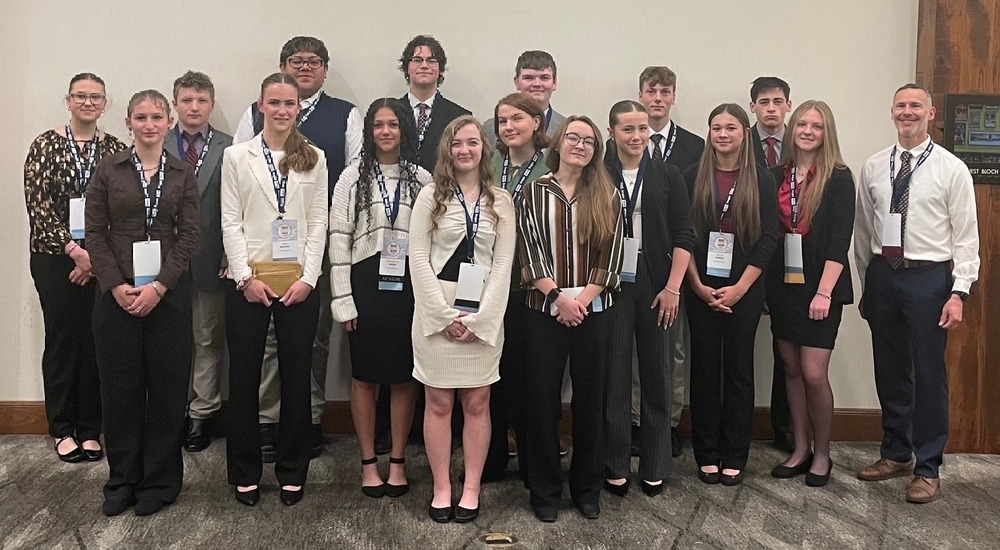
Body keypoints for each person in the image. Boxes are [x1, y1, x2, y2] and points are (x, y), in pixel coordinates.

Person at [234, 36, 363, 461]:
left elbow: (353, 181)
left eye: (313, 62)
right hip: (260, 251)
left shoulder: (346, 115)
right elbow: (233, 191)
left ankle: (308, 418)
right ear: (283, 68)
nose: (305, 68)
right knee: (268, 340)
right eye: (296, 61)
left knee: (314, 336)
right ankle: (270, 420)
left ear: (325, 68)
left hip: (314, 245)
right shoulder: (253, 115)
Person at [854, 84, 980, 504]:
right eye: (900, 106)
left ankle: (928, 467)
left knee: (928, 374)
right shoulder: (874, 166)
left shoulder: (951, 168)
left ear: (929, 114)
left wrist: (959, 290)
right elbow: (863, 231)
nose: (907, 113)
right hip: (884, 276)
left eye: (915, 106)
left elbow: (966, 236)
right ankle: (895, 452)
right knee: (889, 368)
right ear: (891, 112)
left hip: (929, 280)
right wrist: (866, 282)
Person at [85, 89, 200, 516]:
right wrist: (115, 285)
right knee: (120, 393)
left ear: (168, 122)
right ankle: (122, 480)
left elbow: (190, 235)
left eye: (156, 117)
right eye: (141, 117)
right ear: (128, 123)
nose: (149, 125)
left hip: (167, 298)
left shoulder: (182, 173)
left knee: (168, 393)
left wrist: (160, 287)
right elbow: (94, 233)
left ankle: (160, 481)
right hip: (116, 296)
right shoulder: (108, 169)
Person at [221, 73, 329, 507]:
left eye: (290, 103)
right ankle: (245, 470)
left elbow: (319, 221)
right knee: (244, 378)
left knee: (297, 377)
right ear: (260, 105)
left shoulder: (315, 157)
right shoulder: (236, 156)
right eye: (274, 102)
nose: (282, 110)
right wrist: (245, 278)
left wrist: (309, 278)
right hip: (250, 281)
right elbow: (231, 220)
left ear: (298, 107)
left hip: (299, 283)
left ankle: (292, 470)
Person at [408, 116, 515, 523]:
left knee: (477, 400)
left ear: (483, 149)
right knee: (437, 401)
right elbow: (417, 258)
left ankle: (470, 487)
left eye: (473, 142)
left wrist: (480, 318)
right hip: (436, 307)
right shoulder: (429, 196)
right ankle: (441, 486)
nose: (465, 150)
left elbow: (504, 264)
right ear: (447, 150)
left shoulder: (500, 201)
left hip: (484, 309)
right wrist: (441, 315)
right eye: (457, 143)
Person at [517, 116, 624, 522]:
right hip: (544, 311)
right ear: (558, 144)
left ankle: (586, 487)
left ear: (596, 151)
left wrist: (583, 300)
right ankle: (544, 489)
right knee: (542, 401)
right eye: (573, 137)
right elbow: (528, 253)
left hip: (594, 313)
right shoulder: (532, 192)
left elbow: (611, 256)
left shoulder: (607, 192)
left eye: (590, 141)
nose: (580, 145)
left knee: (590, 402)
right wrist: (559, 298)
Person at [329, 98, 431, 498]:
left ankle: (399, 461)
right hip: (365, 284)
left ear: (404, 129)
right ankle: (369, 462)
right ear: (369, 131)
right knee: (365, 377)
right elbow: (337, 240)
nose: (385, 132)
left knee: (404, 376)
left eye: (393, 124)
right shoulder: (352, 177)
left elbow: (432, 241)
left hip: (408, 287)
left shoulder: (421, 178)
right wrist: (342, 299)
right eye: (378, 125)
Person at [23, 73, 126, 464]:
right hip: (54, 260)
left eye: (95, 97)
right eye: (80, 96)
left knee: (97, 342)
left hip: (102, 262)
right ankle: (62, 428)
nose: (87, 102)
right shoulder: (45, 145)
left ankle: (90, 428)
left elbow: (122, 209)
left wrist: (95, 258)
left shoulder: (116, 150)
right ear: (68, 101)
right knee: (64, 341)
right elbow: (39, 205)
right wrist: (73, 250)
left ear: (105, 104)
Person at [602, 101, 694, 498]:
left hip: (658, 284)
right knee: (615, 377)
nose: (637, 136)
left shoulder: (668, 174)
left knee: (657, 376)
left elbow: (684, 235)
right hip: (609, 285)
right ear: (612, 133)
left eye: (642, 129)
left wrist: (673, 287)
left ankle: (656, 463)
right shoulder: (599, 174)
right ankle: (616, 463)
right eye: (627, 130)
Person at [684, 104, 778, 487]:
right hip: (701, 287)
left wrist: (740, 288)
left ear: (744, 133)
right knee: (705, 369)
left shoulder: (763, 179)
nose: (723, 134)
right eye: (716, 128)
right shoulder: (692, 175)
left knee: (739, 370)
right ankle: (706, 453)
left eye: (731, 128)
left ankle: (735, 453)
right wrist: (695, 285)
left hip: (746, 288)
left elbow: (769, 238)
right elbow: (683, 236)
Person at [766, 101, 855, 488]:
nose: (806, 131)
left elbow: (840, 240)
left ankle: (822, 454)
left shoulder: (838, 177)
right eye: (801, 123)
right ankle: (800, 449)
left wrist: (823, 293)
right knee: (790, 370)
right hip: (784, 286)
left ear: (826, 132)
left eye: (816, 126)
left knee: (814, 373)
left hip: (823, 287)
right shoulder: (774, 175)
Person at [635, 66, 706, 458]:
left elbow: (692, 216)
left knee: (674, 349)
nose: (657, 98)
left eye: (665, 92)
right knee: (631, 350)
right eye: (651, 91)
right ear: (641, 95)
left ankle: (671, 422)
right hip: (629, 266)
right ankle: (634, 420)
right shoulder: (622, 144)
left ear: (674, 96)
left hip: (675, 265)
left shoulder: (694, 147)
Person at [482, 92, 551, 483]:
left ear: (536, 123)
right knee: (493, 374)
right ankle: (491, 458)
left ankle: (531, 462)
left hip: (534, 282)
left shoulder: (551, 165)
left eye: (517, 119)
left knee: (532, 377)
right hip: (492, 281)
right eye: (502, 120)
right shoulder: (489, 164)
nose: (509, 126)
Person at [164, 70, 234, 453]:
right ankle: (169, 411)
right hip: (163, 262)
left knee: (207, 339)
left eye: (202, 100)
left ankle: (201, 415)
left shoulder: (230, 146)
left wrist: (228, 255)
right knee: (170, 340)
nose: (194, 107)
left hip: (211, 259)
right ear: (175, 104)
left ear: (211, 104)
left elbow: (235, 207)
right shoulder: (157, 140)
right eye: (187, 100)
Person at [749, 75, 796, 454]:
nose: (771, 108)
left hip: (791, 262)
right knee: (738, 348)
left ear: (788, 106)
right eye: (764, 101)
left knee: (787, 350)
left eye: (778, 101)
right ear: (753, 107)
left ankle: (785, 427)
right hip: (745, 260)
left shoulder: (802, 144)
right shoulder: (733, 141)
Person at [398, 35, 472, 173]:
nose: (424, 65)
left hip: (443, 190)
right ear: (406, 67)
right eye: (417, 60)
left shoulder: (459, 116)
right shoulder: (391, 112)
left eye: (431, 60)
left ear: (441, 69)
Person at [483, 50, 566, 147]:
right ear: (517, 82)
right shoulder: (490, 129)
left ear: (554, 83)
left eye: (544, 78)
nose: (537, 84)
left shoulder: (567, 129)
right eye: (528, 78)